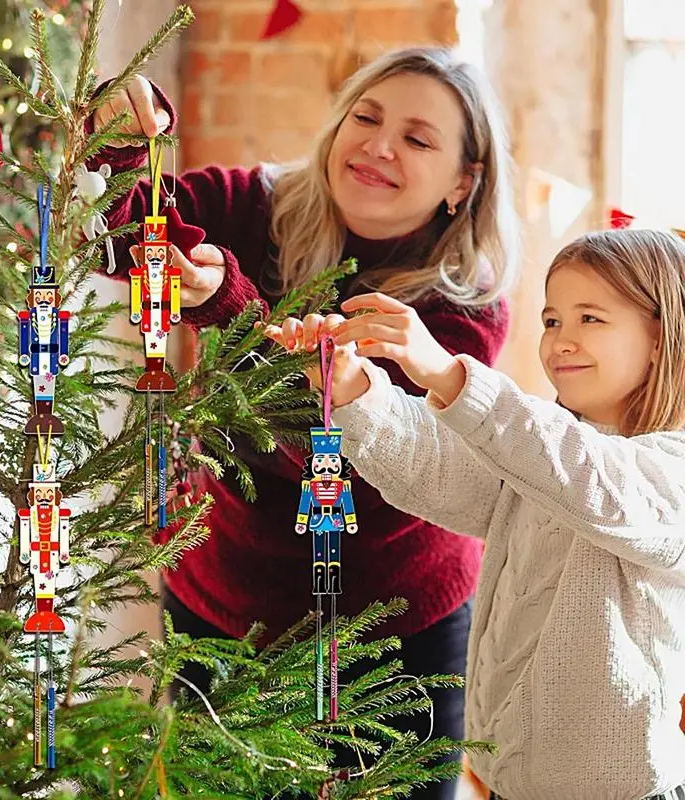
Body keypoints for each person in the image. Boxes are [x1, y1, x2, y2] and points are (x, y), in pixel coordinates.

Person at [89, 48, 520, 797]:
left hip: (396, 625)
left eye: (418, 139)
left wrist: (227, 304)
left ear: (464, 181)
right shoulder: (249, 206)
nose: (380, 146)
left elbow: (343, 456)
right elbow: (121, 244)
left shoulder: (462, 313)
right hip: (224, 599)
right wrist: (127, 137)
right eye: (367, 116)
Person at [264, 228, 685, 800]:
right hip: (505, 784)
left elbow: (590, 479)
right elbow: (436, 466)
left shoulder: (668, 467)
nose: (561, 340)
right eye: (552, 320)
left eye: (591, 319)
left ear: (663, 338)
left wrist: (446, 372)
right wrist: (356, 387)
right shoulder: (539, 452)